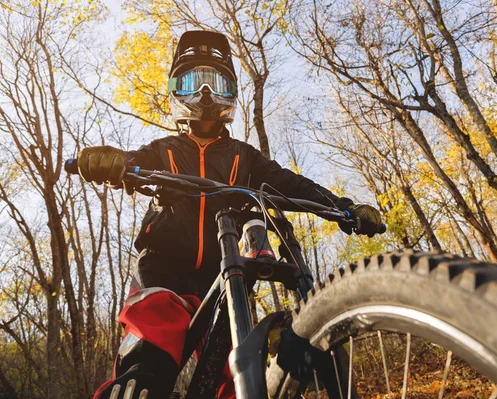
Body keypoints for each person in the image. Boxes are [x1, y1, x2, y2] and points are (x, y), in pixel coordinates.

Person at [78, 30, 382, 399]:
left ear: (231, 92)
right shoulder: (164, 148)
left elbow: (289, 184)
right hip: (162, 266)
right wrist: (112, 161)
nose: (205, 94)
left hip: (223, 274)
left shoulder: (243, 155)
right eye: (193, 82)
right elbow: (131, 162)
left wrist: (343, 208)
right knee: (150, 349)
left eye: (216, 84)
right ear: (176, 89)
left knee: (237, 365)